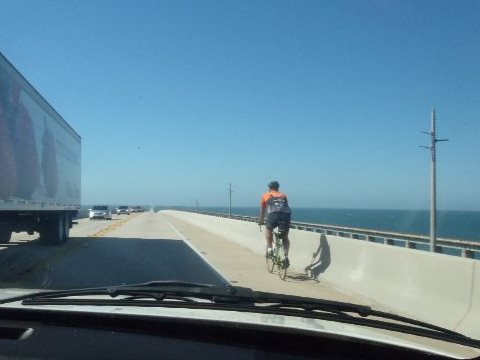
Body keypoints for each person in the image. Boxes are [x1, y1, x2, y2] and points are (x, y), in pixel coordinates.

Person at [259, 181, 291, 267]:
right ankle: (285, 257)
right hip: (286, 215)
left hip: (274, 215)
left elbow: (263, 210)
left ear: (269, 188)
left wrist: (261, 220)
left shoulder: (266, 195)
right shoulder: (284, 195)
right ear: (278, 188)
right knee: (284, 237)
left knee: (268, 229)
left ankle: (270, 248)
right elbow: (286, 206)